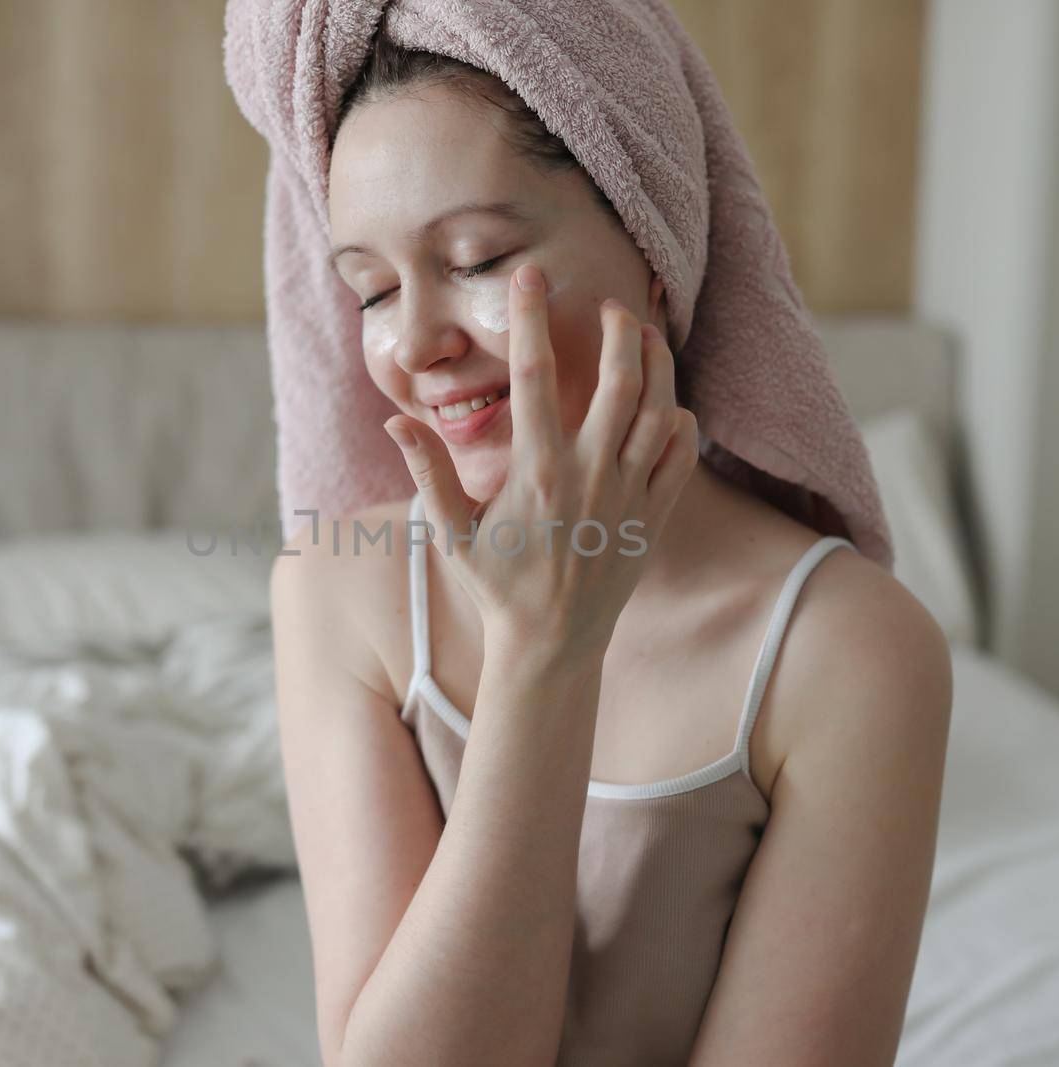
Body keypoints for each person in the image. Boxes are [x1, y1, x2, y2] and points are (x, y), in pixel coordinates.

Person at [268, 32, 952, 1067]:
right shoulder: (337, 591)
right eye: (370, 289)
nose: (413, 346)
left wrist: (553, 640)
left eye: (476, 261)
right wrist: (543, 651)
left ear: (654, 249)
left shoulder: (850, 649)